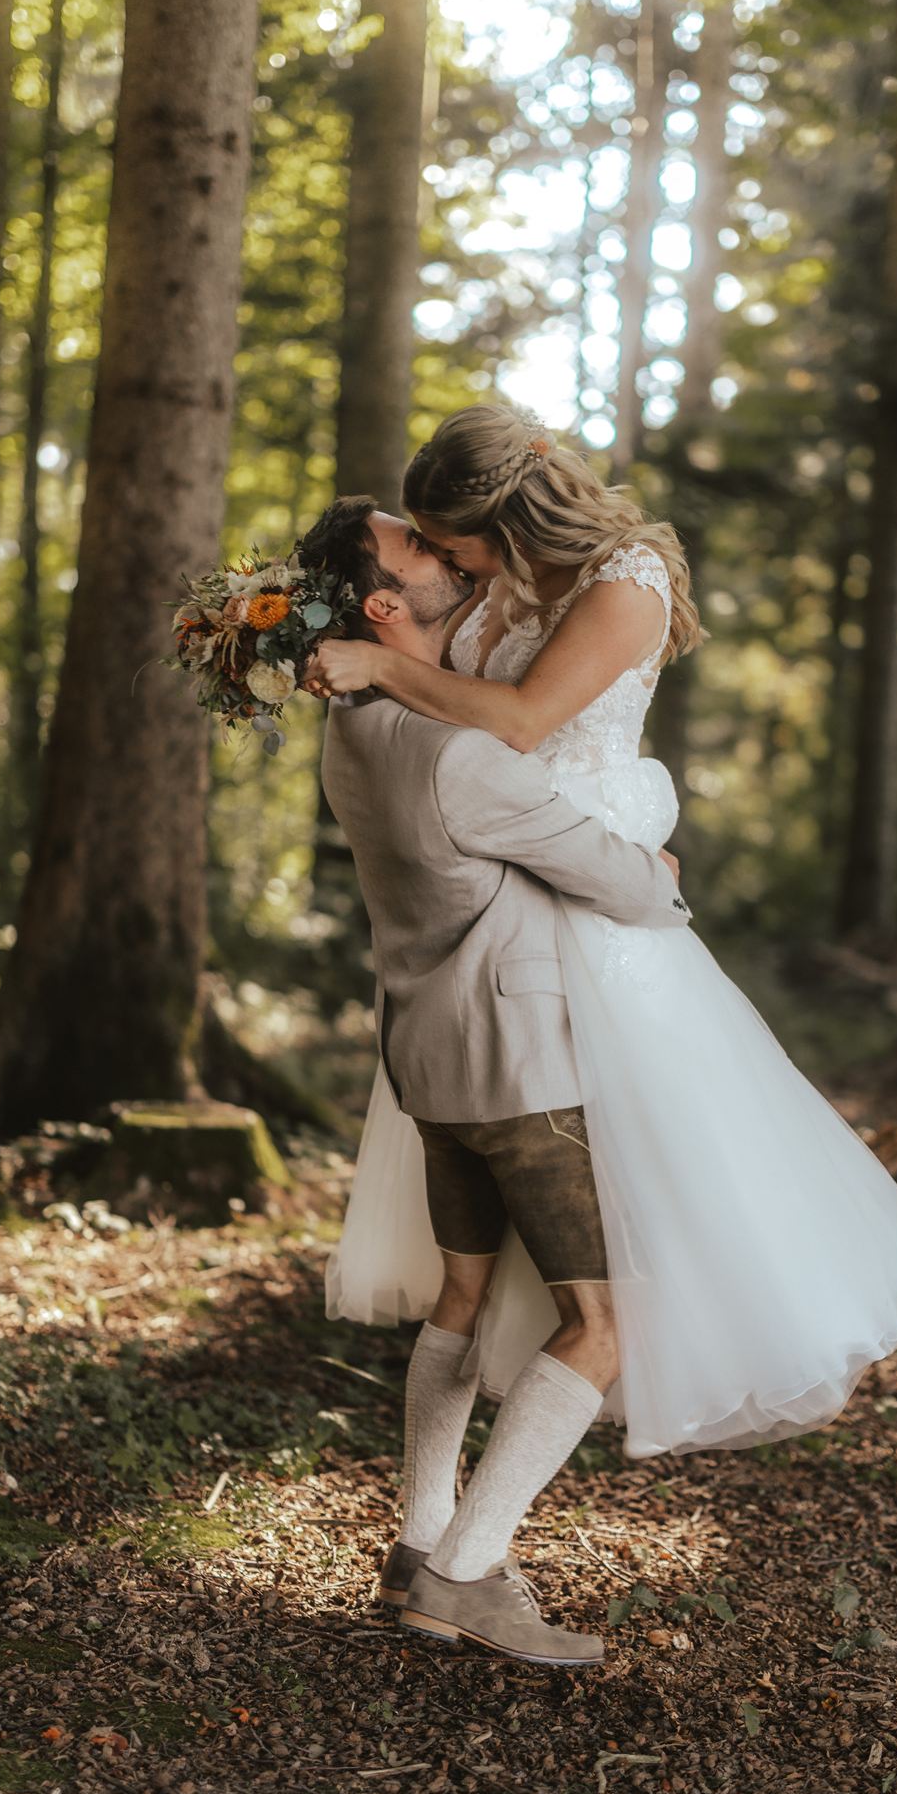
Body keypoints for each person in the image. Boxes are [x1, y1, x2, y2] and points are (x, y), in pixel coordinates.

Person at [309, 403, 897, 1472]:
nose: (445, 556)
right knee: (477, 1271)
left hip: (589, 912)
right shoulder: (494, 585)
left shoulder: (622, 586)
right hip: (496, 914)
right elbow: (426, 668)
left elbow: (515, 721)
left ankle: (495, 1504)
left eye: (447, 535)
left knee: (658, 1203)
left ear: (501, 523)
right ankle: (444, 1544)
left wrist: (378, 668)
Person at [306, 495, 690, 1666]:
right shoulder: (462, 756)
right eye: (414, 546)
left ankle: (418, 1542)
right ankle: (468, 1573)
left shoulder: (352, 732)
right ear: (385, 603)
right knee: (602, 1323)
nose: (438, 548)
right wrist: (661, 867)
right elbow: (623, 885)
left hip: (428, 1071)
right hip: (523, 1077)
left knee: (460, 1304)